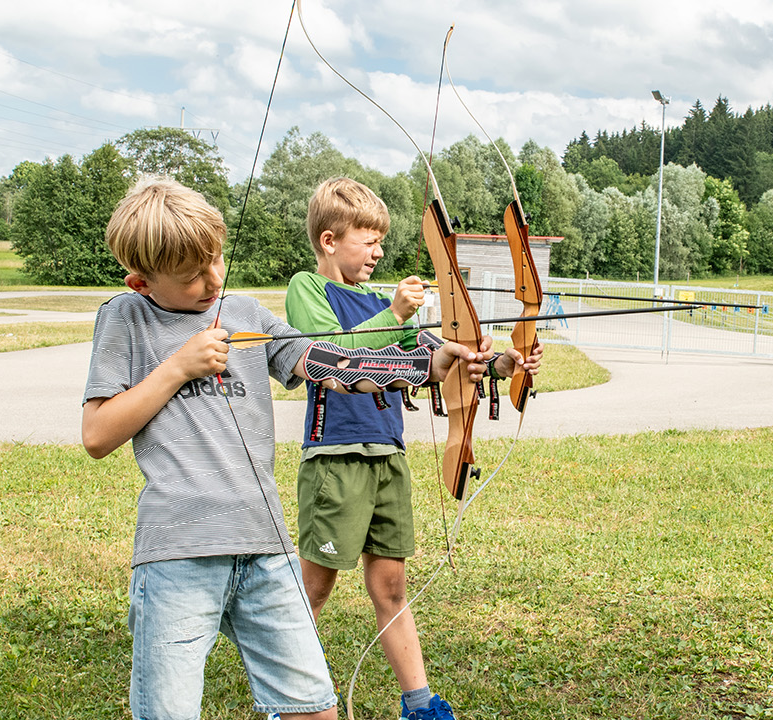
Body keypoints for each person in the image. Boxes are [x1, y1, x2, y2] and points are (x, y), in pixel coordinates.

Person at [81, 177, 511, 720]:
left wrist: (427, 366)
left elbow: (334, 365)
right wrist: (178, 368)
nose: (213, 280)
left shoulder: (244, 316)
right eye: (193, 276)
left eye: (216, 261)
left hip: (265, 548)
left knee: (314, 710)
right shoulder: (126, 317)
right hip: (177, 555)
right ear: (141, 282)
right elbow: (97, 435)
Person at [283, 177, 541, 720]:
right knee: (316, 588)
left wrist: (495, 362)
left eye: (381, 241)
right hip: (335, 457)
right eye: (367, 240)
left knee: (393, 584)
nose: (378, 252)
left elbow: (430, 359)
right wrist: (396, 315)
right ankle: (288, 695)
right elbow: (332, 355)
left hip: (387, 456)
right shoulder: (307, 289)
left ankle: (419, 703)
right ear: (329, 241)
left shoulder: (381, 300)